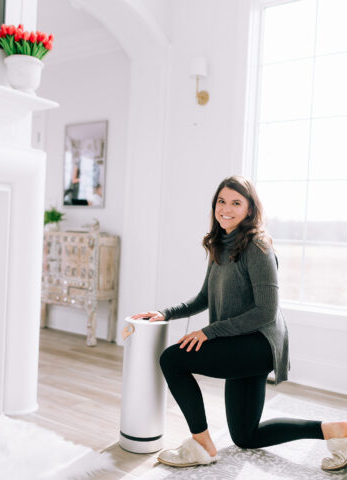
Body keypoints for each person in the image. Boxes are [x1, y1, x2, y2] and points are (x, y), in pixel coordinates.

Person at [131, 175, 347, 471]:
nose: (226, 209)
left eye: (236, 203)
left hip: (259, 343)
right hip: (239, 341)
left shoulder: (258, 246)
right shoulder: (220, 244)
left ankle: (201, 444)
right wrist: (165, 313)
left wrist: (209, 332)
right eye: (222, 201)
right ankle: (338, 431)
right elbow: (203, 298)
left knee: (173, 359)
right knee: (247, 436)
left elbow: (266, 312)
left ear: (249, 210)